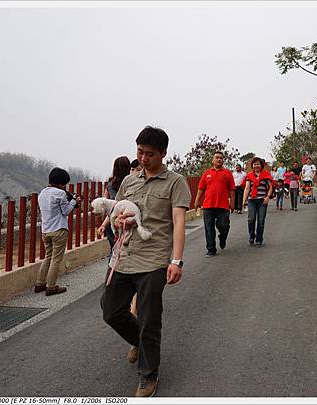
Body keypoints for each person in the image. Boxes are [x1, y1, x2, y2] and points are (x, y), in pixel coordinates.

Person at [101, 126, 191, 397]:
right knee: (111, 310)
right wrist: (117, 221)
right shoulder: (129, 181)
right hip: (124, 255)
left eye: (149, 154)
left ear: (163, 153)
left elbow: (178, 222)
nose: (143, 158)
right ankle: (139, 341)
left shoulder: (175, 182)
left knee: (150, 317)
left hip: (154, 259)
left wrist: (176, 260)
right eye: (139, 152)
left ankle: (148, 375)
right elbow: (118, 211)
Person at [34, 168, 80, 296]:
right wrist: (74, 201)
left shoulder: (42, 193)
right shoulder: (60, 194)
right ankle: (52, 286)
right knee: (56, 259)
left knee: (47, 257)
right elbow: (65, 211)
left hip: (45, 231)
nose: (65, 186)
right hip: (59, 230)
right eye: (64, 183)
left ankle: (39, 284)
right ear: (60, 183)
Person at [194, 151, 236, 257]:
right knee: (209, 228)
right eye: (217, 158)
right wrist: (197, 201)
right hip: (208, 206)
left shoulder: (228, 173)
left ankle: (222, 237)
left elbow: (232, 190)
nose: (219, 159)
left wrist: (233, 203)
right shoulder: (206, 173)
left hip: (223, 206)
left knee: (224, 225)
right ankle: (211, 249)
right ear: (213, 160)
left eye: (221, 158)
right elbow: (201, 189)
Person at [97, 156, 131, 256]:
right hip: (126, 221)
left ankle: (111, 270)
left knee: (114, 250)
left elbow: (105, 204)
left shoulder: (110, 185)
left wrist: (103, 225)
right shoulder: (131, 184)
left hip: (111, 222)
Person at [243, 157, 273, 247]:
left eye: (258, 164)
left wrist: (267, 197)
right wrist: (244, 199)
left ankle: (259, 239)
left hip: (262, 200)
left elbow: (270, 187)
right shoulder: (249, 176)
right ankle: (252, 235)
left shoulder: (266, 175)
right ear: (252, 166)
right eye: (255, 164)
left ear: (261, 165)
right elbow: (247, 188)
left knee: (261, 221)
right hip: (252, 200)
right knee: (251, 219)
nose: (256, 165)